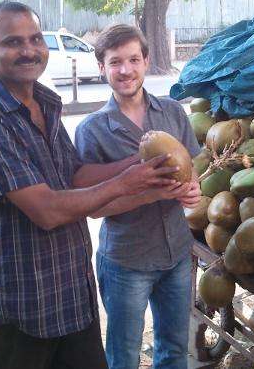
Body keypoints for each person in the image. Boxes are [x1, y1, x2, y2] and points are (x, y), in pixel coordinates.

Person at [0, 1, 180, 369]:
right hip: (22, 307)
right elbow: (46, 210)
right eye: (12, 42)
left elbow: (74, 175)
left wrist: (143, 162)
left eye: (35, 38)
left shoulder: (45, 101)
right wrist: (126, 182)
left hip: (72, 296)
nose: (28, 50)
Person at [74, 24, 203, 369]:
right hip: (126, 263)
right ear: (102, 67)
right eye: (115, 62)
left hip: (176, 253)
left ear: (146, 61)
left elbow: (193, 164)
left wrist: (194, 188)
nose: (126, 70)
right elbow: (94, 207)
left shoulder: (173, 112)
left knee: (175, 350)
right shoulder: (93, 130)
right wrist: (147, 193)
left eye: (133, 59)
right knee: (123, 357)